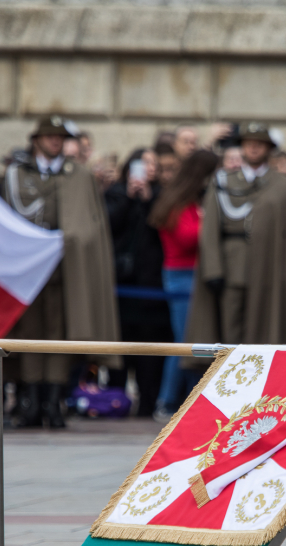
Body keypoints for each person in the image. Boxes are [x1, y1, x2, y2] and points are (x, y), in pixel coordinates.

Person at [3, 116, 120, 428]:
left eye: (59, 137)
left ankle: (53, 402)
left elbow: (90, 222)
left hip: (65, 269)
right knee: (29, 333)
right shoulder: (18, 174)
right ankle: (30, 400)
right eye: (49, 136)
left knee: (57, 334)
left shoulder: (78, 175)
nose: (55, 142)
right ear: (36, 139)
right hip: (28, 270)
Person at [185, 122, 286, 346]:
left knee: (265, 334)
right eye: (248, 143)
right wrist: (213, 269)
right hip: (232, 268)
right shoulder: (223, 181)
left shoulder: (283, 186)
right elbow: (211, 230)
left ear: (269, 148)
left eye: (259, 144)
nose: (253, 148)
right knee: (229, 334)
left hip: (269, 269)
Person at [148, 149, 219, 419]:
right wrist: (210, 222)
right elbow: (187, 237)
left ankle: (189, 398)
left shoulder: (187, 199)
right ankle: (166, 401)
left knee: (195, 340)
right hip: (181, 275)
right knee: (185, 342)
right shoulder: (179, 201)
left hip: (192, 275)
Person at [106, 147, 171, 417]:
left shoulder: (162, 196)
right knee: (120, 347)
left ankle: (147, 402)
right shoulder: (116, 193)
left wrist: (146, 201)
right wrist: (128, 200)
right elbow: (109, 226)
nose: (148, 168)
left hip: (151, 286)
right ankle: (116, 401)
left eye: (153, 163)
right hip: (121, 284)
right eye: (143, 163)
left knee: (150, 350)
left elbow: (163, 231)